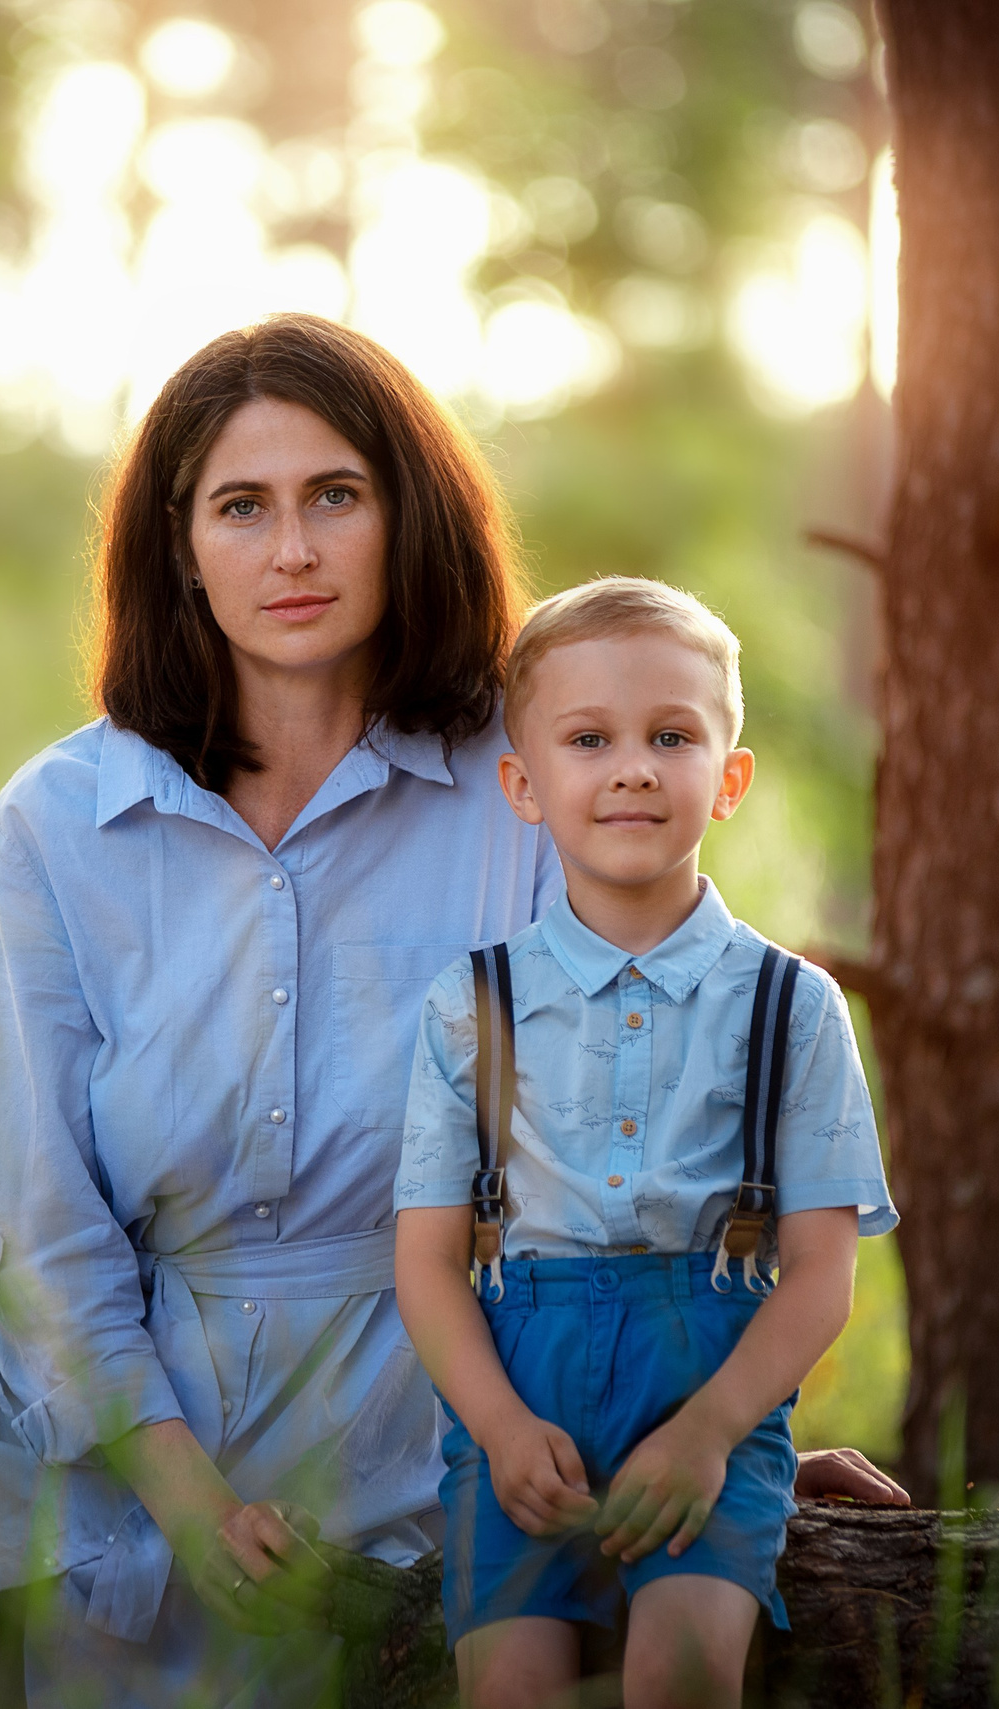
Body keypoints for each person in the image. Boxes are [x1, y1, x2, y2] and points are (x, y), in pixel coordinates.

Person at [0, 317, 906, 1709]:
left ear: (405, 515)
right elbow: (45, 1224)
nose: (291, 550)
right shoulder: (59, 821)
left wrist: (732, 1427)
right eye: (243, 507)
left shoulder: (525, 785)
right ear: (182, 546)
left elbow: (653, 1124)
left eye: (334, 496)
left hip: (401, 1395)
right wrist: (175, 1489)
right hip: (82, 1390)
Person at [392, 578, 899, 1709]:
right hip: (523, 1404)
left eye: (670, 736)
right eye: (589, 738)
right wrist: (501, 1424)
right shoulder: (469, 1004)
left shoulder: (792, 1004)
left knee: (679, 1674)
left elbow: (821, 1273)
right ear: (523, 785)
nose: (631, 766)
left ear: (729, 778)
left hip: (708, 1397)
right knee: (509, 1689)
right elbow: (426, 1261)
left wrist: (713, 1430)